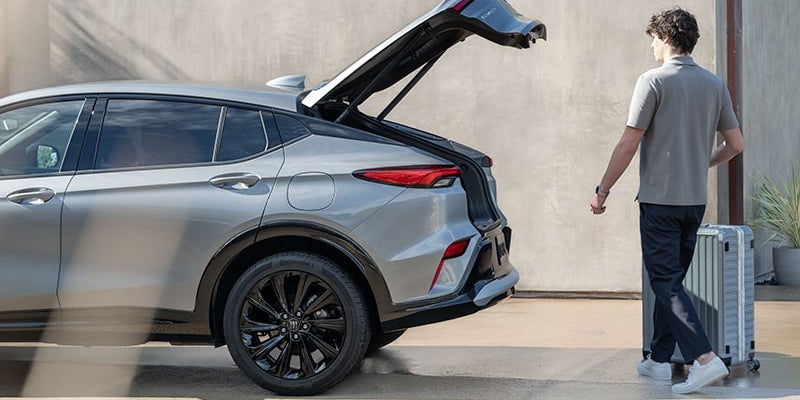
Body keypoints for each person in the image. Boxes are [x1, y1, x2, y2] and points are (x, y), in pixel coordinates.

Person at [590, 7, 744, 395]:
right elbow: (735, 145)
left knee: (664, 282)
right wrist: (700, 163)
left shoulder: (653, 81)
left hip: (660, 201)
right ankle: (659, 360)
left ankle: (704, 360)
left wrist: (603, 188)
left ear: (665, 38)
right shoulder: (715, 84)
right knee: (670, 281)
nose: (652, 47)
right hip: (694, 202)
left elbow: (629, 142)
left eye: (653, 39)